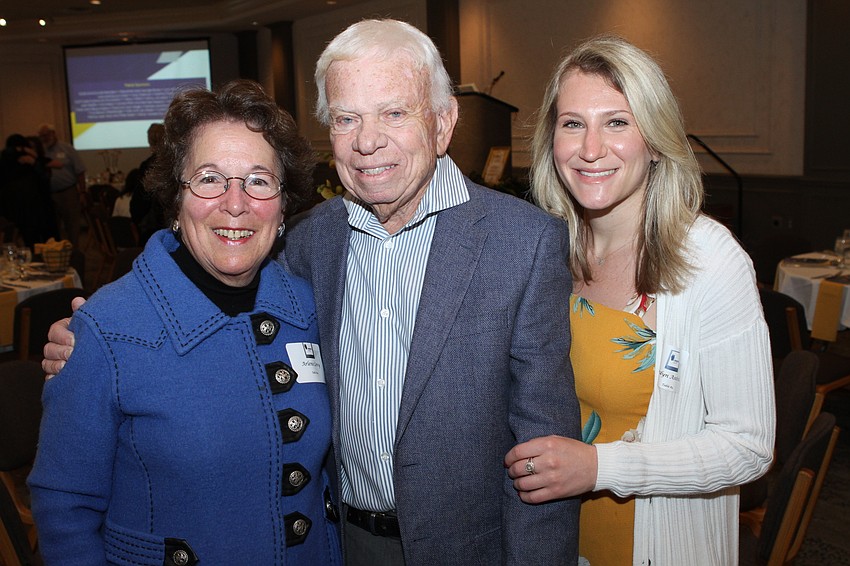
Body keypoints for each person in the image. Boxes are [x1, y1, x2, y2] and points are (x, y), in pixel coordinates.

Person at [43, 18, 580, 566]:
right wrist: (91, 340)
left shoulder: (525, 242)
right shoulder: (308, 241)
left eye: (394, 113)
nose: (368, 141)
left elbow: (547, 461)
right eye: (347, 118)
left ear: (443, 123)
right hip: (340, 544)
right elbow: (199, 284)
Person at [28, 79, 342, 566]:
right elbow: (65, 508)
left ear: (283, 206)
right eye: (210, 178)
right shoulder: (109, 328)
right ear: (176, 200)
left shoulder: (307, 308)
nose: (235, 203)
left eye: (258, 180)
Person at [503, 36, 775, 565]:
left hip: (654, 545)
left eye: (618, 122)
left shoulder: (708, 260)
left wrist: (600, 468)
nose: (590, 148)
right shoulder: (544, 247)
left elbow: (748, 447)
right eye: (573, 123)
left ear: (655, 140)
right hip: (547, 540)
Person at [37, 123, 86, 247]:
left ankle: (74, 252)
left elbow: (80, 171)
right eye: (42, 136)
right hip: (48, 195)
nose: (45, 138)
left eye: (46, 134)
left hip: (68, 192)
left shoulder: (67, 148)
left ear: (53, 134)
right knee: (53, 227)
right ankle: (56, 252)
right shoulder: (41, 152)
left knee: (72, 225)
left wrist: (82, 192)